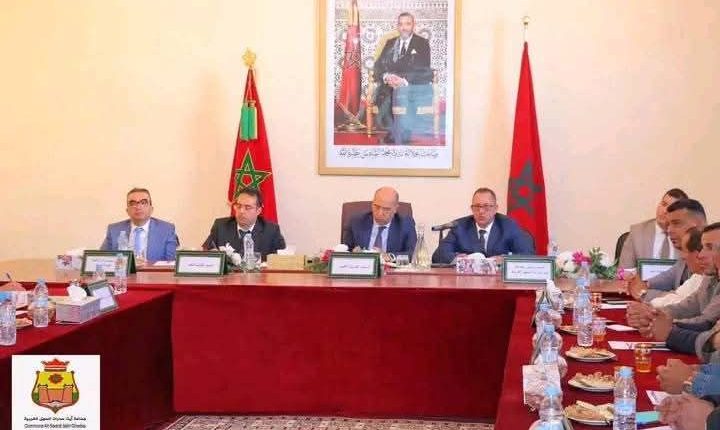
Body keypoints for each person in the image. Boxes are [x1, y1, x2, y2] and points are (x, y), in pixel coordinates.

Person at [626, 223, 720, 355]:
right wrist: (653, 315)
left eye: (709, 248)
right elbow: (688, 306)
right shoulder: (710, 277)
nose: (701, 255)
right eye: (702, 247)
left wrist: (661, 325)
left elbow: (706, 323)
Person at [627, 198, 707, 301]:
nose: (669, 230)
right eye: (668, 225)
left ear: (697, 225)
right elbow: (668, 277)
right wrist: (645, 283)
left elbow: (684, 300)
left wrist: (643, 293)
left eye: (676, 223)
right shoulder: (684, 255)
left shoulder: (710, 259)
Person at [373, 12, 432, 144]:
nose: (403, 27)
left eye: (407, 24)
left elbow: (424, 68)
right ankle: (392, 130)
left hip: (411, 84)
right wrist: (387, 76)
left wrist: (403, 81)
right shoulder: (390, 43)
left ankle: (402, 132)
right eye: (400, 24)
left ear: (413, 25)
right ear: (397, 26)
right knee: (383, 94)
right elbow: (378, 65)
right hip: (390, 85)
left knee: (403, 95)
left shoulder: (422, 43)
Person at [432, 187, 535, 263]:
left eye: (486, 206)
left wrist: (504, 259)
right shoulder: (460, 226)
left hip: (498, 282)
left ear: (495, 208)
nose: (481, 211)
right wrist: (459, 259)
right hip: (467, 282)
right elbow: (438, 256)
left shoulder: (508, 226)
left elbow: (528, 254)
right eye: (477, 206)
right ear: (472, 208)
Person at [202, 188, 285, 260]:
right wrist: (211, 254)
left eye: (247, 207)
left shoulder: (271, 231)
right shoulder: (220, 226)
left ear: (258, 211)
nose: (241, 211)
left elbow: (281, 261)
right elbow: (206, 252)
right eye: (238, 206)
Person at [100, 187, 179, 261]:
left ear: (151, 209)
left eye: (143, 203)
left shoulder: (167, 230)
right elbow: (101, 259)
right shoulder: (114, 230)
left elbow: (171, 262)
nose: (138, 207)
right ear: (127, 211)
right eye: (132, 203)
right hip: (124, 271)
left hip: (154, 271)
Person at [618, 188, 689, 268]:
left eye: (671, 208)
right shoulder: (637, 233)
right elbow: (623, 271)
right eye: (664, 204)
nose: (665, 211)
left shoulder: (686, 236)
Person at [341, 186, 417, 255]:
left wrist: (389, 256)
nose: (380, 213)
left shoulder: (406, 224)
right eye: (376, 206)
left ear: (395, 209)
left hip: (390, 265)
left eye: (386, 209)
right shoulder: (356, 222)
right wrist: (353, 253)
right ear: (372, 204)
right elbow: (345, 250)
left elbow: (413, 253)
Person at [650, 228, 705, 307]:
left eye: (684, 251)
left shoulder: (710, 280)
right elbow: (676, 295)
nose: (682, 256)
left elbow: (685, 305)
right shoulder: (697, 276)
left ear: (696, 255)